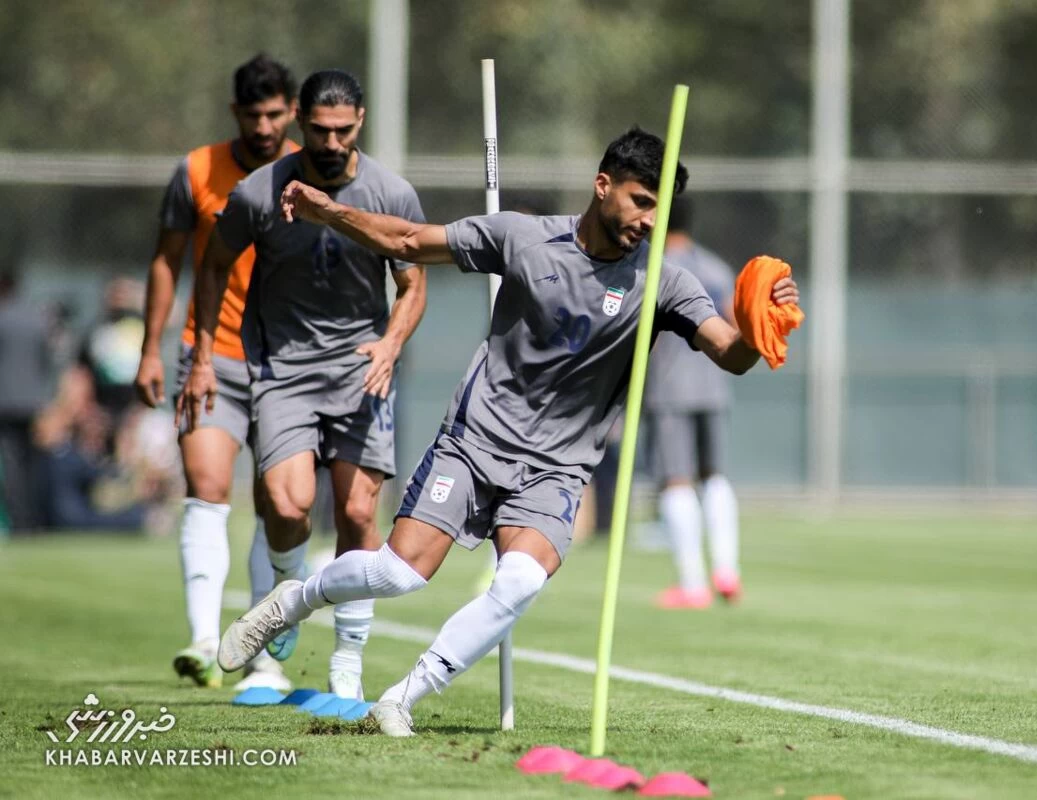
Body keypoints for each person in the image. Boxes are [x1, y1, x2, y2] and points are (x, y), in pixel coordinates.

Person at [217, 126, 800, 736]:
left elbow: (729, 353)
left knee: (519, 581)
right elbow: (411, 240)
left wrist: (762, 326)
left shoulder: (665, 281)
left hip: (557, 468)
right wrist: (327, 210)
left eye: (662, 209)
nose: (651, 221)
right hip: (475, 444)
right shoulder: (524, 237)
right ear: (603, 186)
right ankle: (291, 603)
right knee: (400, 572)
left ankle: (402, 698)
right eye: (641, 200)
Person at [178, 68, 428, 701]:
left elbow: (413, 284)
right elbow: (211, 268)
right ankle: (287, 596)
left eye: (343, 130)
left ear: (361, 124)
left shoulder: (391, 193)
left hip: (361, 369)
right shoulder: (261, 192)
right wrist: (204, 355)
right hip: (284, 371)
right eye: (320, 130)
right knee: (286, 507)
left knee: (356, 511)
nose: (332, 142)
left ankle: (347, 663)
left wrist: (391, 345)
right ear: (300, 124)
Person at [135, 54, 300, 691]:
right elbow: (165, 260)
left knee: (278, 504)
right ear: (236, 112)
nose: (264, 126)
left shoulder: (305, 173)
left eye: (275, 113)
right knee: (207, 484)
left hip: (289, 366)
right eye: (253, 114)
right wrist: (153, 348)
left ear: (291, 112)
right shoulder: (198, 169)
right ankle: (205, 640)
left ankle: (261, 654)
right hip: (212, 355)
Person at [644, 197, 742, 609]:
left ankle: (693, 583)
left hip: (669, 389)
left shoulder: (652, 268)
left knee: (676, 480)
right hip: (715, 384)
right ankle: (727, 569)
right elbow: (736, 326)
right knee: (714, 476)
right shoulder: (717, 267)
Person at [0, 270, 55, 531]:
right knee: (33, 463)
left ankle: (19, 522)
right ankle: (35, 519)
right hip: (34, 402)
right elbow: (48, 363)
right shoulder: (38, 320)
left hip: (6, 403)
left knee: (12, 466)